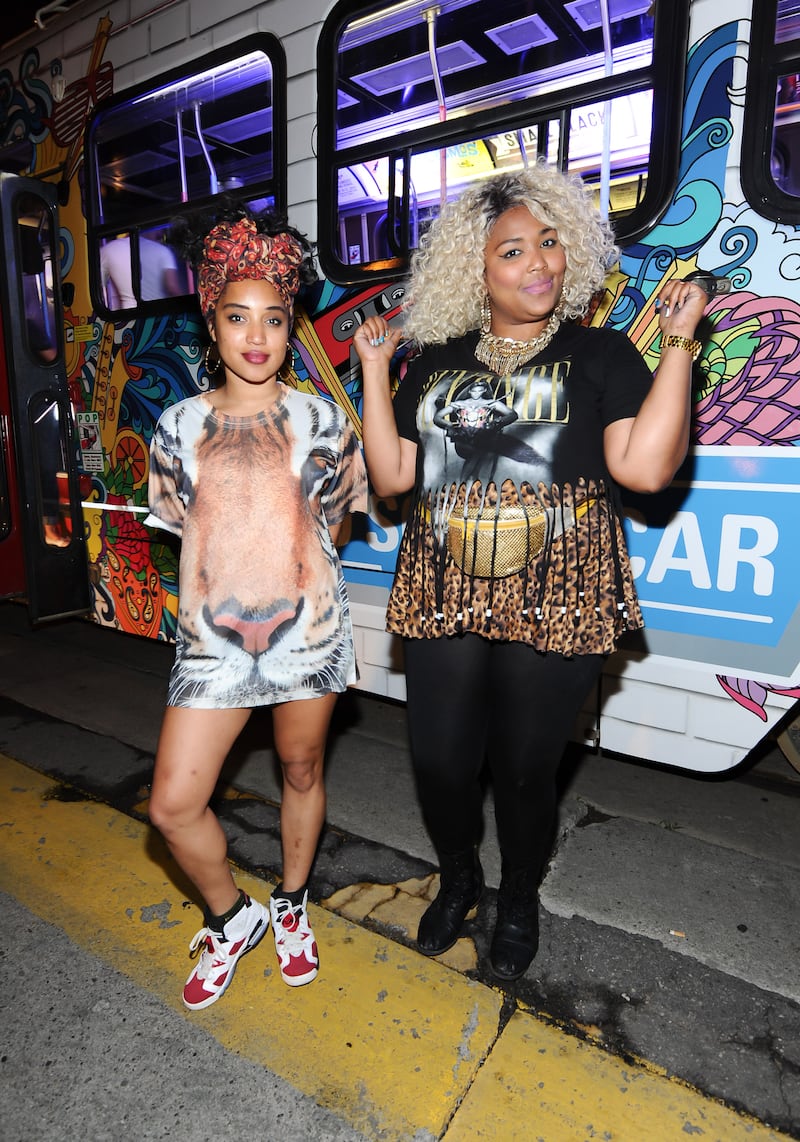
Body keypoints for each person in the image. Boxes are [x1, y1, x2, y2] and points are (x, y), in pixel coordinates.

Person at [354, 163, 708, 981]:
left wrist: (684, 341)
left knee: (523, 766)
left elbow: (647, 469)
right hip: (447, 574)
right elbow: (396, 477)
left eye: (550, 243)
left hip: (563, 580)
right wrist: (376, 373)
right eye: (512, 250)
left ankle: (517, 895)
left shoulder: (603, 352)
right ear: (475, 271)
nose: (539, 263)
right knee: (441, 761)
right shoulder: (434, 360)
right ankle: (460, 875)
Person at [144, 204, 368, 1010]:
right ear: (214, 321)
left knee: (302, 766)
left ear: (289, 326)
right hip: (211, 643)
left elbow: (335, 525)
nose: (257, 335)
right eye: (238, 317)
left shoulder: (325, 423)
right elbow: (184, 531)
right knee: (172, 803)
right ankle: (231, 916)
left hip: (308, 634)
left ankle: (293, 901)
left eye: (274, 319)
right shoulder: (175, 425)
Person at [101, 234, 183, 309]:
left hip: (127, 316)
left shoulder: (112, 248)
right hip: (157, 313)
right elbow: (172, 287)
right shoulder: (163, 251)